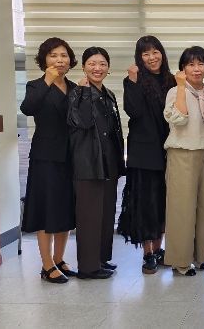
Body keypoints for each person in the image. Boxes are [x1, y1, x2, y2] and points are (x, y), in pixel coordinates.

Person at [20, 37, 78, 284]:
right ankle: (46, 265)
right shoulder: (36, 86)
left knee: (65, 209)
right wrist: (47, 80)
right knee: (46, 210)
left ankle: (59, 259)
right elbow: (27, 108)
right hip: (45, 157)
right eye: (53, 55)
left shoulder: (75, 88)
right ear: (44, 60)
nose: (59, 60)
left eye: (64, 55)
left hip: (71, 157)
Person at [117, 36, 175, 274]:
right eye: (145, 53)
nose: (152, 57)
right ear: (139, 58)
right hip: (143, 153)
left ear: (162, 53)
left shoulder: (172, 80)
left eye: (155, 52)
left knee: (163, 202)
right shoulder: (134, 80)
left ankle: (159, 249)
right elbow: (134, 111)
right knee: (146, 203)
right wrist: (132, 81)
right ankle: (148, 253)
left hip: (169, 149)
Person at [67, 47, 126, 279]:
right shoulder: (77, 92)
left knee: (105, 213)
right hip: (87, 164)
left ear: (108, 68)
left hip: (108, 163)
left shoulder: (108, 94)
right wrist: (83, 92)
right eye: (92, 64)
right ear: (83, 67)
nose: (97, 68)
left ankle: (101, 259)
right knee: (89, 217)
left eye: (102, 64)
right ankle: (88, 267)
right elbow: (81, 121)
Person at [163, 46, 204, 276]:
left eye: (201, 63)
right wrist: (182, 86)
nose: (196, 69)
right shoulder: (176, 91)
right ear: (183, 68)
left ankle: (200, 257)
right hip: (182, 153)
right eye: (191, 64)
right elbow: (179, 119)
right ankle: (180, 261)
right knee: (181, 208)